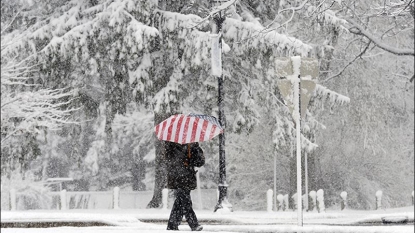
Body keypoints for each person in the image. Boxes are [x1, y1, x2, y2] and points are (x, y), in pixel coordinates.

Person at [165, 141, 205, 231]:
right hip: (177, 177)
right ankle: (194, 224)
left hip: (187, 177)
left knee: (180, 201)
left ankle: (172, 224)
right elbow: (169, 159)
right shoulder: (171, 143)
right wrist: (183, 159)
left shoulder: (193, 144)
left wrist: (195, 150)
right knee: (185, 200)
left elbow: (200, 162)